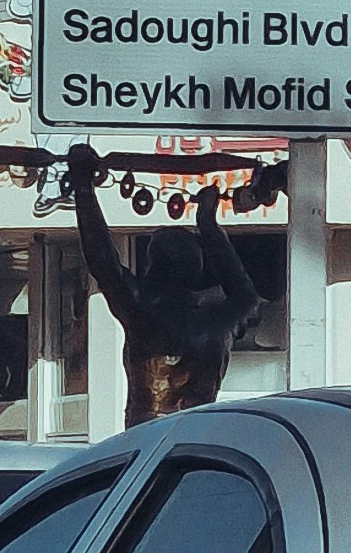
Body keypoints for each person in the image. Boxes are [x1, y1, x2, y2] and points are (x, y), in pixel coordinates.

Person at [66, 146, 261, 420]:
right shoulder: (215, 318)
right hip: (198, 430)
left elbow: (102, 261)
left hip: (146, 432)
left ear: (152, 266)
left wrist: (83, 189)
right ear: (197, 268)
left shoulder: (141, 308)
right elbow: (246, 296)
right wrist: (208, 225)